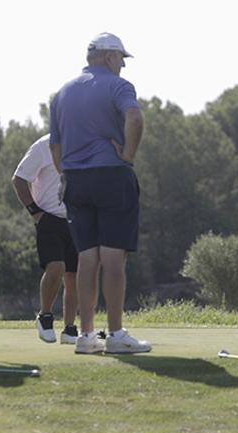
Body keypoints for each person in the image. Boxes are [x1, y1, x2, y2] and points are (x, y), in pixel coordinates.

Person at [48, 32, 150, 354]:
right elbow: (134, 116)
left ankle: (86, 335)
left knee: (86, 259)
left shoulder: (62, 92)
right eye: (122, 59)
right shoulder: (119, 86)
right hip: (111, 176)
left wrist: (64, 173)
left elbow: (54, 144)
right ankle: (116, 334)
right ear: (109, 57)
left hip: (75, 181)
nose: (122, 65)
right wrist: (129, 155)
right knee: (113, 258)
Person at [12, 134, 80, 345]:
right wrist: (36, 213)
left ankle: (69, 329)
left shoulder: (83, 142)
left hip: (76, 219)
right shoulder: (43, 146)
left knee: (74, 277)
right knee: (56, 267)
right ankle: (45, 316)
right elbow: (19, 179)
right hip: (48, 218)